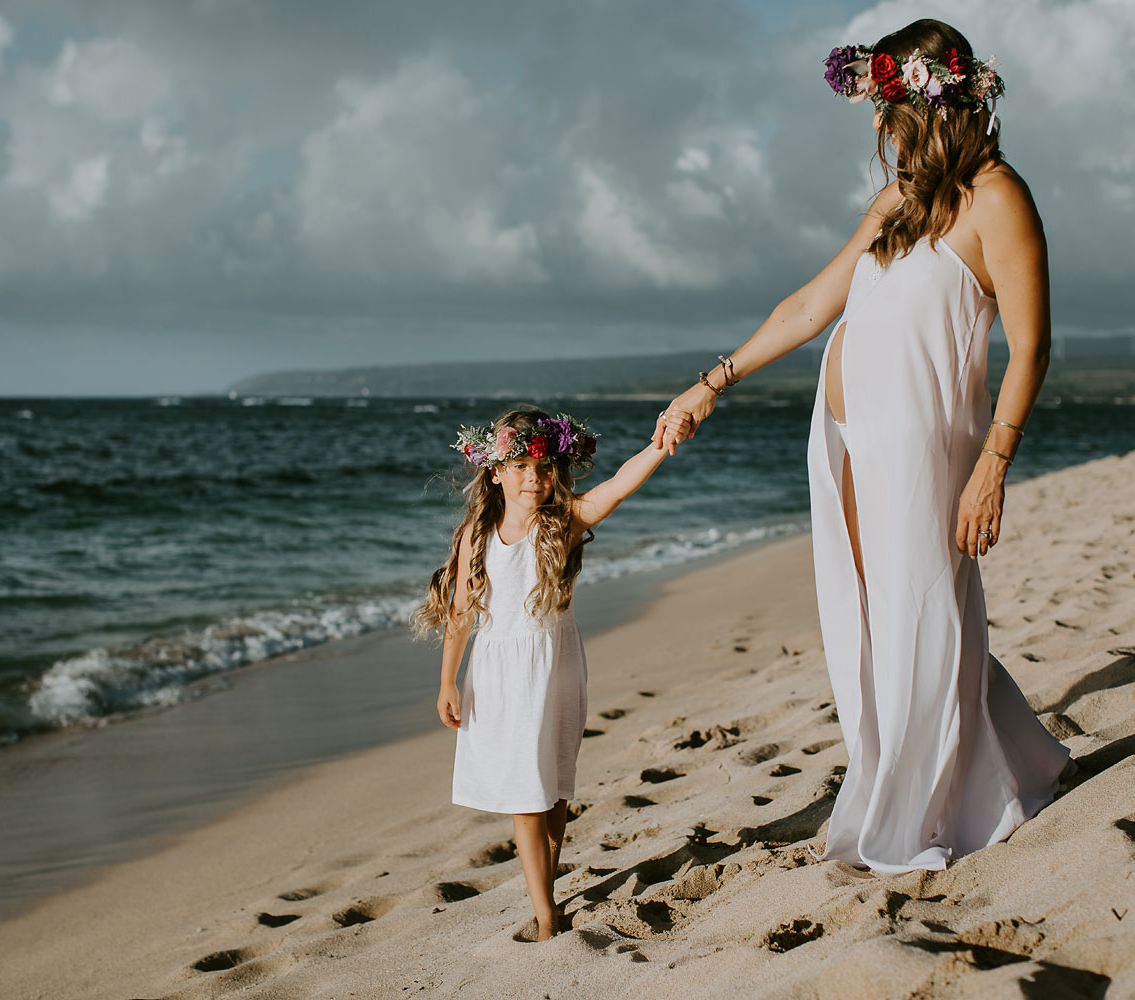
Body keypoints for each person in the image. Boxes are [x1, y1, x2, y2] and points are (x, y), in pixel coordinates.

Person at [654, 18, 1072, 874]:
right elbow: (814, 307)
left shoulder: (998, 197)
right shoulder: (899, 203)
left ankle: (916, 816)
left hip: (927, 446)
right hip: (848, 438)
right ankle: (1004, 768)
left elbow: (1031, 344)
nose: (881, 128)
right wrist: (714, 381)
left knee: (923, 614)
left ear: (933, 103)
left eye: (889, 108)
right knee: (874, 616)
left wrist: (993, 467)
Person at [415, 406, 667, 939]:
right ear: (495, 471)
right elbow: (461, 613)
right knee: (526, 797)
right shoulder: (476, 537)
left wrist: (661, 444)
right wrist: (446, 680)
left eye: (544, 466)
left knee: (553, 794)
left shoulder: (563, 523)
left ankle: (544, 891)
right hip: (501, 677)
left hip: (557, 667)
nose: (535, 478)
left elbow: (619, 486)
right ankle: (548, 919)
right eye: (522, 467)